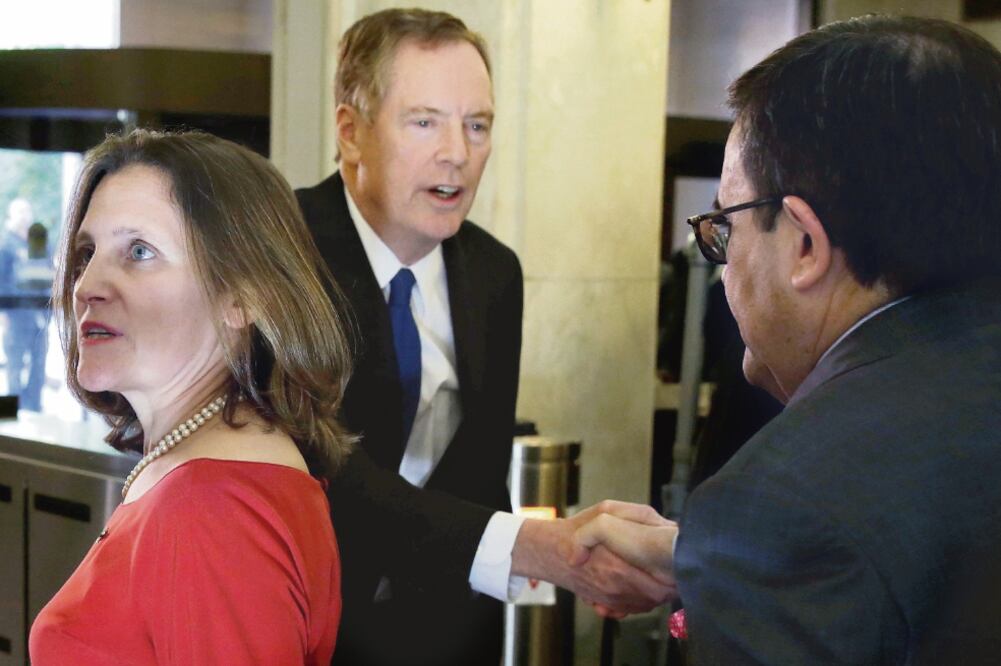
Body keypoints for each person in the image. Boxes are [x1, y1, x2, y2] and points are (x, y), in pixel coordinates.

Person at [571, 14, 1001, 664]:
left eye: (725, 226)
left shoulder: (776, 507)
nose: (721, 266)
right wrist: (709, 554)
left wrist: (745, 547)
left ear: (802, 244)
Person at [296, 8, 674, 664]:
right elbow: (324, 473)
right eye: (424, 122)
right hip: (311, 628)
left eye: (477, 125)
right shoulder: (283, 252)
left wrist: (560, 573)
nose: (457, 153)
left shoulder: (492, 272)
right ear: (351, 133)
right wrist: (548, 552)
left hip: (447, 631)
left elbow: (479, 475)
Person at [29, 129, 353, 664]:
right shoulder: (199, 471)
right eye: (88, 252)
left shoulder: (209, 510)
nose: (87, 284)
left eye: (138, 251)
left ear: (244, 297)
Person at [0, 198, 50, 411]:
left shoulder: (38, 243)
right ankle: (11, 418)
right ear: (11, 216)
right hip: (15, 316)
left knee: (39, 366)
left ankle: (34, 410)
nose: (25, 215)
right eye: (20, 211)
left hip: (39, 316)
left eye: (27, 210)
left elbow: (48, 275)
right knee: (15, 366)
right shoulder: (5, 245)